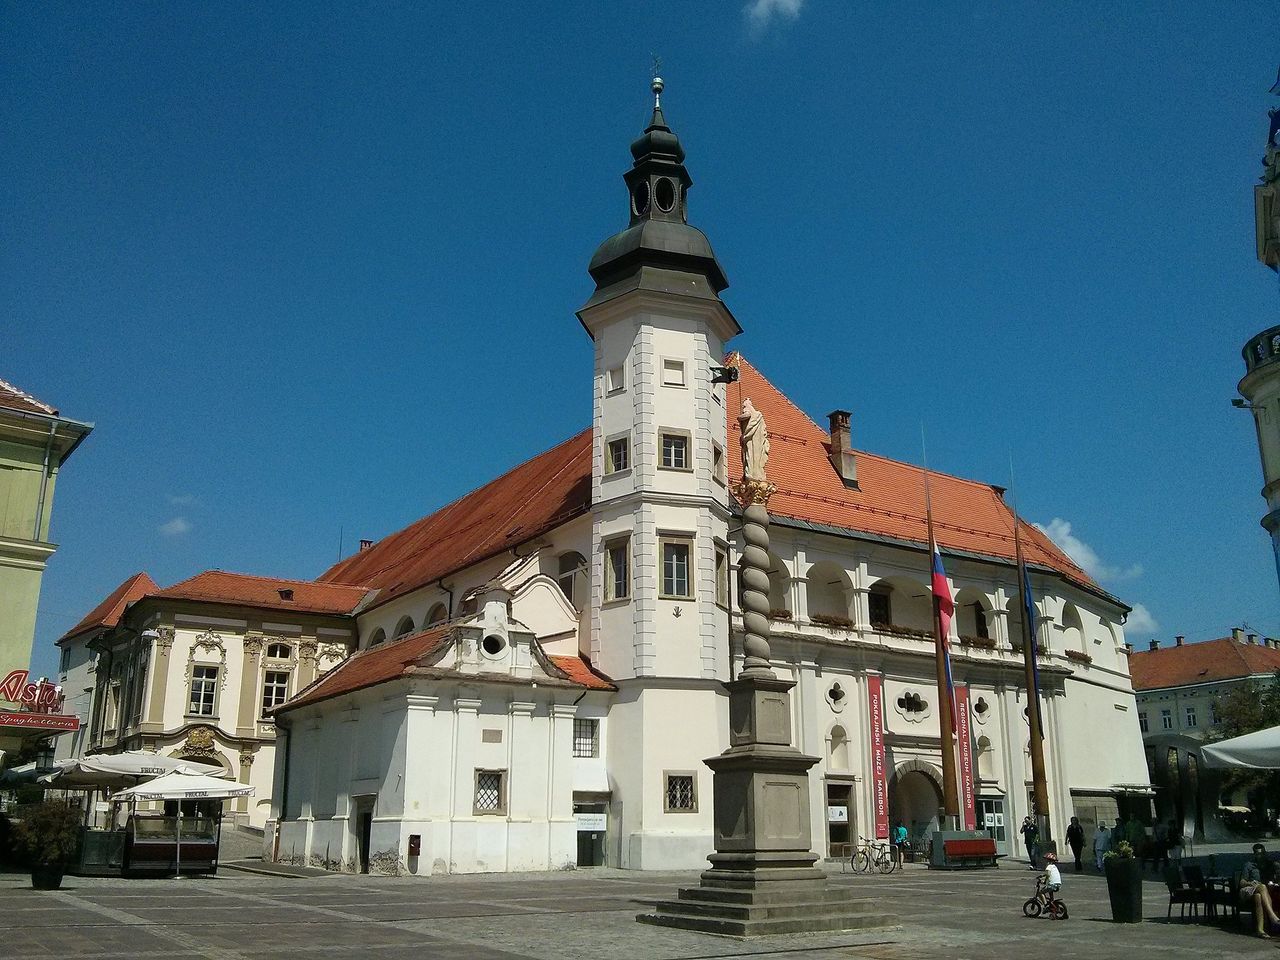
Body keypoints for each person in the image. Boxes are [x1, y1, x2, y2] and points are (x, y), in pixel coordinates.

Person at [1242, 843, 1280, 938]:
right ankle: (1272, 917)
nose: (1261, 855)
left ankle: (1261, 929)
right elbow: (1242, 882)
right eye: (1259, 854)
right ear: (1254, 854)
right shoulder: (1249, 865)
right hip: (1248, 889)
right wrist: (1250, 883)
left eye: (1263, 853)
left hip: (1262, 891)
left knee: (1259, 896)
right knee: (1262, 887)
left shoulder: (1270, 864)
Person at [1041, 851, 1063, 915]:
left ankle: (1046, 906)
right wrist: (1042, 875)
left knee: (1041, 893)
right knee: (1050, 891)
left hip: (1052, 885)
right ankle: (1052, 902)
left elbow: (1048, 874)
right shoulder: (1054, 867)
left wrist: (1044, 881)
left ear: (1048, 860)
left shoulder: (1048, 866)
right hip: (1058, 884)